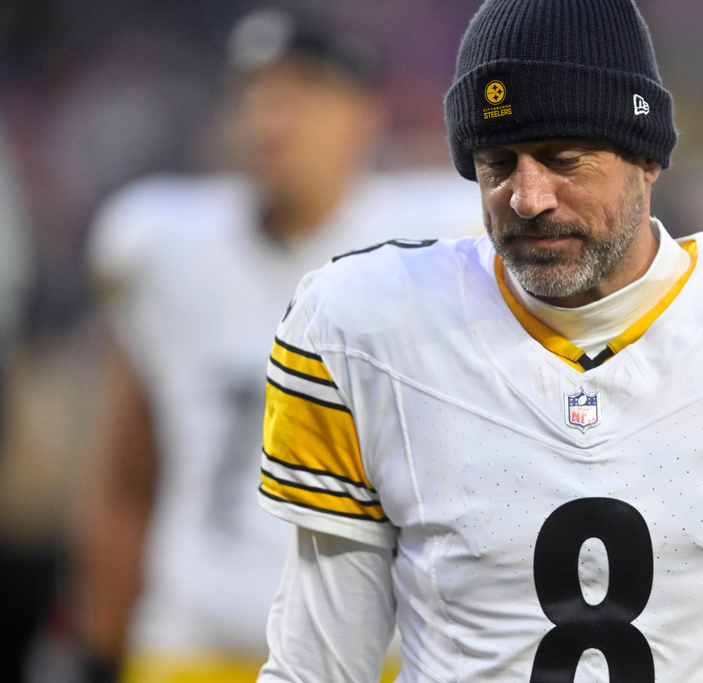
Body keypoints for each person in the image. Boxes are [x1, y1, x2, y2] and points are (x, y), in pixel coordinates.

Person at [255, 0, 703, 680]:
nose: (527, 197)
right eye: (498, 162)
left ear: (646, 158)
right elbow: (317, 665)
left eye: (563, 157)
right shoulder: (366, 329)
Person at [77, 6, 481, 683]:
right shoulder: (160, 244)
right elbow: (127, 472)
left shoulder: (440, 241)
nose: (273, 118)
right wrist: (94, 643)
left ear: (364, 114)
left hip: (377, 651)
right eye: (256, 93)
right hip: (192, 645)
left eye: (303, 94)